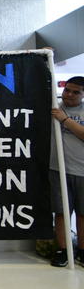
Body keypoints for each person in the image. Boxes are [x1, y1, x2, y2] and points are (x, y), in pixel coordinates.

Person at [49, 76, 84, 267]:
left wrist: (65, 120)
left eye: (75, 92)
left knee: (82, 213)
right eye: (67, 90)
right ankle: (63, 250)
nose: (69, 94)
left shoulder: (63, 113)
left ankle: (82, 250)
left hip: (82, 171)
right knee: (61, 212)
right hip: (57, 169)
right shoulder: (54, 106)